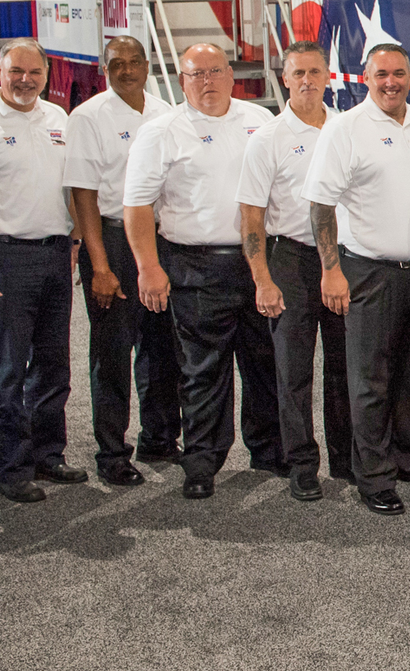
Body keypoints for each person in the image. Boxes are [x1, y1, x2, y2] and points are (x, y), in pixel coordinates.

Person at [122, 42, 281, 500]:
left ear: (232, 75)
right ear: (181, 79)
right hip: (195, 267)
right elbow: (135, 207)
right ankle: (202, 463)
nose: (206, 82)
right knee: (202, 373)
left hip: (257, 264)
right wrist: (148, 267)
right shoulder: (161, 132)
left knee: (263, 364)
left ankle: (270, 452)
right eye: (195, 74)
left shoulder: (259, 122)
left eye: (214, 72)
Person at [304, 43, 410, 516]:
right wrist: (330, 270)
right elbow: (321, 204)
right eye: (382, 73)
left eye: (400, 73)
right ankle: (375, 476)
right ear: (366, 77)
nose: (391, 82)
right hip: (369, 272)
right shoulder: (345, 129)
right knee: (369, 380)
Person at [0, 39, 86, 502]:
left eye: (35, 73)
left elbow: (69, 190)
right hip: (4, 260)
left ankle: (48, 454)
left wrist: (76, 241)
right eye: (16, 71)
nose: (25, 80)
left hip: (55, 254)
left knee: (52, 364)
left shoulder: (58, 120)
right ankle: (13, 469)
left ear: (47, 74)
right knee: (7, 370)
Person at [63, 35, 182, 486]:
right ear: (104, 68)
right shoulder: (88, 118)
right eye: (117, 64)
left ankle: (160, 437)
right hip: (111, 243)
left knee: (160, 347)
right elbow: (84, 197)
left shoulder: (165, 113)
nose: (127, 70)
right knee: (112, 352)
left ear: (148, 65)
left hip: (159, 242)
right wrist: (99, 266)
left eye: (135, 62)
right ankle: (112, 451)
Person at [237, 40, 351, 502]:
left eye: (315, 72)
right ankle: (302, 461)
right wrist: (262, 278)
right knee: (293, 369)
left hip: (343, 261)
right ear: (284, 79)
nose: (307, 81)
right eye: (298, 73)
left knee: (346, 366)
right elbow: (251, 216)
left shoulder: (345, 129)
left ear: (329, 76)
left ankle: (347, 457)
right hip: (290, 260)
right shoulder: (267, 139)